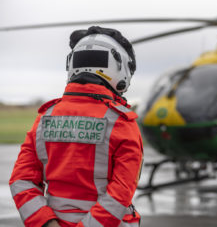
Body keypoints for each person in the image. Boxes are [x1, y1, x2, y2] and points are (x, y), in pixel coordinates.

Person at [9, 26, 143, 227]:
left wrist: (46, 223)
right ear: (119, 67)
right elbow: (121, 192)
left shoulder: (45, 117)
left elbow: (21, 181)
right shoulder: (122, 123)